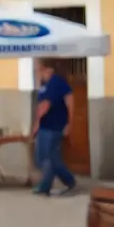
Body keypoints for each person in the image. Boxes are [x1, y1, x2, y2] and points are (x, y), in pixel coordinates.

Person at [31, 62, 79, 197]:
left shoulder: (56, 82)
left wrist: (70, 123)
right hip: (46, 126)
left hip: (54, 126)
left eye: (40, 69)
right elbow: (41, 104)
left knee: (50, 157)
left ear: (49, 69)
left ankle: (68, 180)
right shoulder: (45, 85)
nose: (37, 71)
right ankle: (45, 186)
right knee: (44, 157)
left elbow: (45, 106)